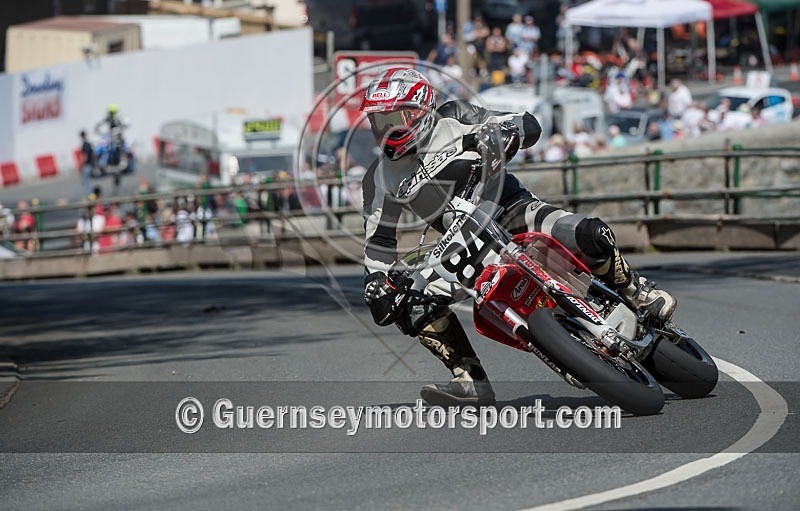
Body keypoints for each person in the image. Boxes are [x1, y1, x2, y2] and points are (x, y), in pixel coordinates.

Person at [359, 67, 678, 406]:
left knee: (588, 233)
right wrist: (376, 282)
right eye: (378, 121)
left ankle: (638, 292)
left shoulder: (455, 116)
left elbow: (526, 122)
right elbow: (378, 242)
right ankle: (469, 378)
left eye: (393, 118)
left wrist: (509, 132)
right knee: (413, 305)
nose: (385, 130)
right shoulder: (378, 177)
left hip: (511, 209)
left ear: (420, 109)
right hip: (462, 242)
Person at [79, 130, 96, 197]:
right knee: (88, 180)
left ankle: (90, 194)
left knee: (87, 181)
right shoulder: (89, 144)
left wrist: (81, 165)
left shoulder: (85, 144)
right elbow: (93, 154)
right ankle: (91, 194)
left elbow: (84, 156)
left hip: (87, 165)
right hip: (90, 164)